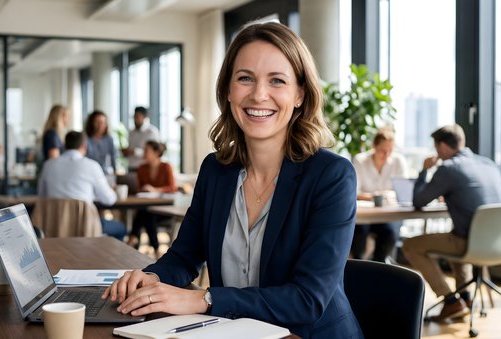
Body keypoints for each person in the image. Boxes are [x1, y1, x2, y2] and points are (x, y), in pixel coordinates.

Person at [102, 22, 362, 339]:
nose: (258, 94)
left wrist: (204, 298)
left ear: (299, 95)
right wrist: (151, 277)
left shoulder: (330, 176)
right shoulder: (216, 170)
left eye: (277, 81)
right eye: (245, 79)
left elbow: (307, 300)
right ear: (228, 90)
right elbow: (184, 257)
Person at [402, 124, 501, 322]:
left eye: (436, 147)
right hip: (500, 241)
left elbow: (418, 201)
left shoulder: (448, 168)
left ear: (441, 146)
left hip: (470, 241)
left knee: (410, 246)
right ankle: (465, 297)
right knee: (455, 233)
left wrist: (424, 171)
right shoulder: (488, 163)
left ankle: (451, 301)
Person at [37, 131, 127, 240]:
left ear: (65, 146)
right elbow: (109, 199)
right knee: (121, 229)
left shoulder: (48, 165)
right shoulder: (92, 166)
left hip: (54, 226)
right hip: (85, 229)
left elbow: (42, 195)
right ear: (84, 146)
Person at [350, 127, 408, 262]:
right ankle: (358, 268)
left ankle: (379, 266)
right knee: (358, 233)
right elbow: (354, 191)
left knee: (390, 233)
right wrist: (375, 196)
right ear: (374, 146)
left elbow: (402, 191)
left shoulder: (398, 161)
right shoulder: (360, 161)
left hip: (389, 214)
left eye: (390, 150)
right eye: (383, 150)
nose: (387, 154)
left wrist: (385, 195)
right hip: (365, 214)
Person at [127, 141, 177, 257]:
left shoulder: (166, 167)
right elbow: (140, 189)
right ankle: (156, 251)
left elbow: (172, 187)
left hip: (165, 210)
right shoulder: (142, 168)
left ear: (156, 153)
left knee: (145, 213)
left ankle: (133, 238)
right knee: (147, 213)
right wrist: (144, 190)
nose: (144, 153)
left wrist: (155, 190)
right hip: (148, 208)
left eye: (147, 150)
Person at [121, 106, 160, 171]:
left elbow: (154, 153)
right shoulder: (131, 132)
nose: (135, 119)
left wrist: (134, 152)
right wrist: (126, 152)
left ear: (145, 117)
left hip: (145, 167)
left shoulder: (152, 132)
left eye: (138, 116)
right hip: (131, 167)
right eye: (134, 116)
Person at [84, 110, 118, 174]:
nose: (100, 126)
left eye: (102, 123)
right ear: (91, 123)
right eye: (97, 122)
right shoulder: (85, 139)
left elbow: (114, 157)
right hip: (88, 172)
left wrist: (115, 172)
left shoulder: (109, 139)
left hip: (104, 172)